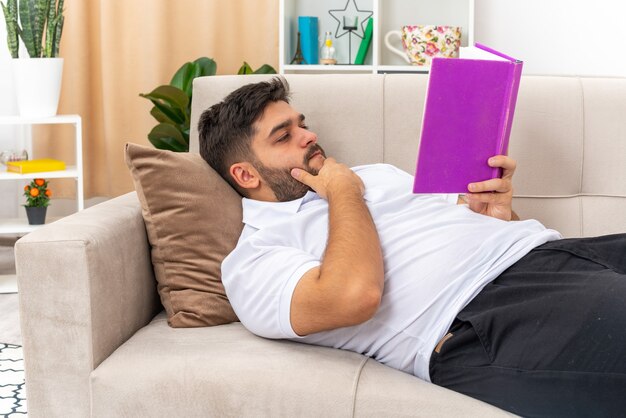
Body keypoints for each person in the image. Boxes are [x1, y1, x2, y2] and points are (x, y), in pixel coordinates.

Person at [198, 77, 626, 417]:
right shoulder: (254, 258)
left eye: (302, 123)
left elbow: (465, 229)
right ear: (246, 174)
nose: (308, 136)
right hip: (486, 317)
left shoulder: (379, 174)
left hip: (558, 255)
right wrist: (342, 192)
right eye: (283, 136)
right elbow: (354, 296)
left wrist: (496, 216)